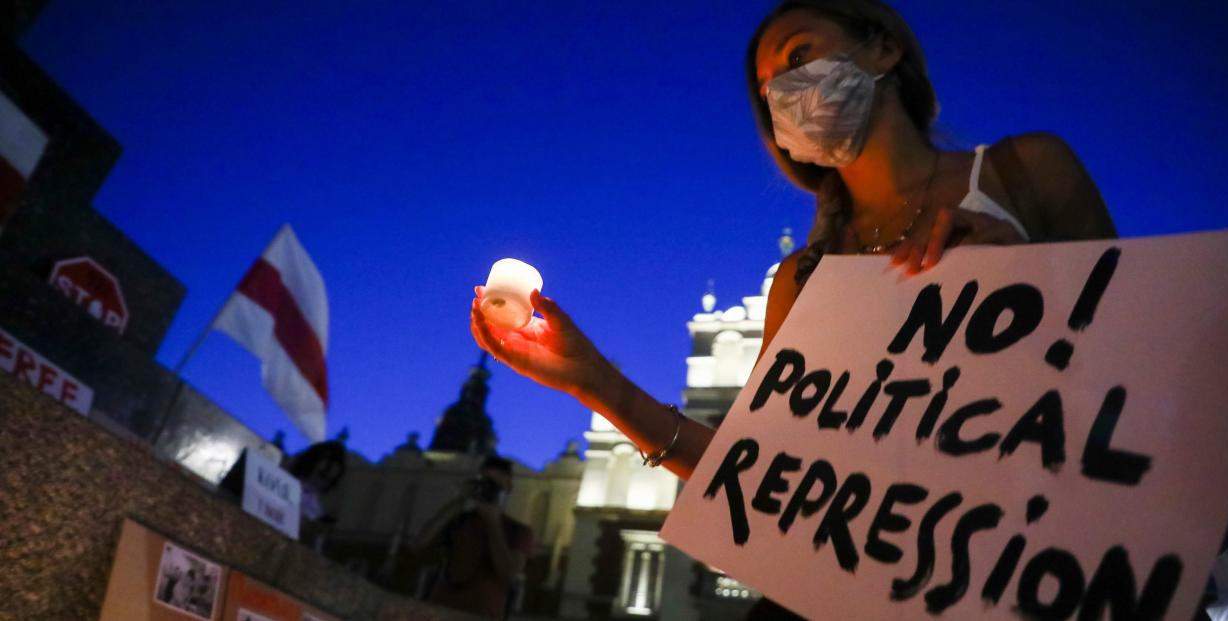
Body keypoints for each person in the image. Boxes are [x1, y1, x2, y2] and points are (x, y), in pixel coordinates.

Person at [470, 0, 1115, 617]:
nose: (785, 89)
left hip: (1042, 571)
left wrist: (1039, 286)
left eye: (800, 54)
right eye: (768, 84)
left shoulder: (1028, 174)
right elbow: (767, 473)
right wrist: (593, 381)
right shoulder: (800, 281)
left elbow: (1147, 366)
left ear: (883, 48)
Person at [423, 455, 533, 620]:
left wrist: (493, 522)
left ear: (509, 487)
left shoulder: (518, 530)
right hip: (440, 611)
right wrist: (458, 502)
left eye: (496, 486)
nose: (490, 489)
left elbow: (509, 574)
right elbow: (419, 544)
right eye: (486, 483)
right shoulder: (461, 520)